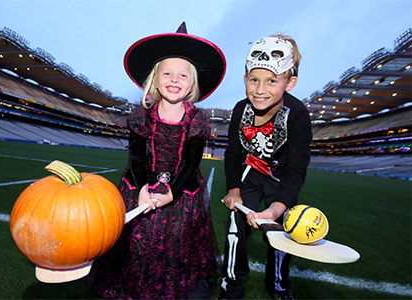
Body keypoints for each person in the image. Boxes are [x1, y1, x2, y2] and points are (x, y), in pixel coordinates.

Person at [87, 22, 226, 299]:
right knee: (138, 242)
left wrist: (171, 193)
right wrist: (142, 188)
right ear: (155, 78)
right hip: (138, 184)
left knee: (175, 245)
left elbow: (190, 164)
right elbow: (136, 155)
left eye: (183, 75)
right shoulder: (141, 115)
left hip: (182, 192)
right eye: (168, 73)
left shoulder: (197, 120)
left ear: (192, 84)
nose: (175, 80)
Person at [218, 34, 312, 300]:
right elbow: (234, 153)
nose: (260, 89)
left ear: (290, 82)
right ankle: (231, 285)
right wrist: (234, 190)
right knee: (236, 223)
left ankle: (279, 286)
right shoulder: (240, 109)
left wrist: (276, 208)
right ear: (245, 78)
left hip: (281, 179)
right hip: (251, 171)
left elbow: (296, 169)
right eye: (253, 79)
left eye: (272, 81)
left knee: (282, 230)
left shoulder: (297, 115)